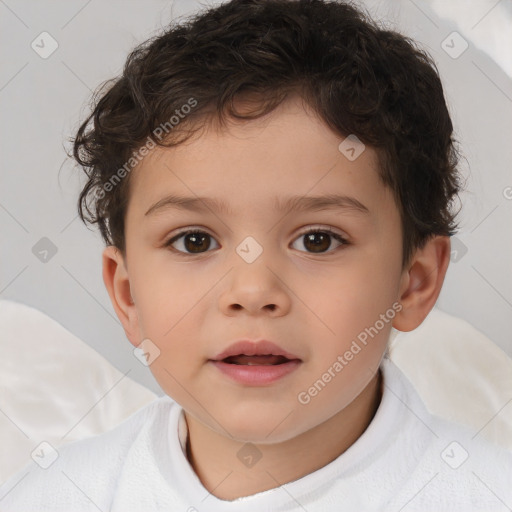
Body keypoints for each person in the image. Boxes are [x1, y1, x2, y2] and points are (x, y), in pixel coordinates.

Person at [2, 0, 511, 510]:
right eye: (194, 241)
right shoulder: (54, 496)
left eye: (318, 240)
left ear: (413, 283)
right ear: (127, 293)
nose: (252, 292)